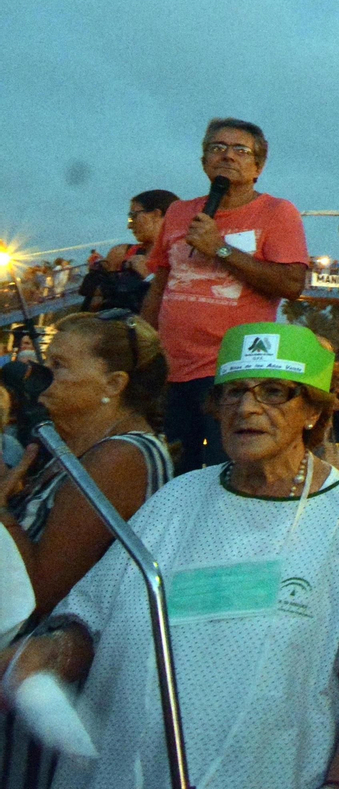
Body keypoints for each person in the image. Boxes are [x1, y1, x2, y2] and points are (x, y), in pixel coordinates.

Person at [0, 323, 339, 789]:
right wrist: (47, 653)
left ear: (311, 410)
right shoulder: (179, 498)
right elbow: (94, 615)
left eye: (273, 392)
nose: (247, 407)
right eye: (233, 393)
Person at [0, 311, 173, 789]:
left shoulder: (121, 457)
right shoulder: (73, 451)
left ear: (113, 383)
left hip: (54, 688)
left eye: (59, 365)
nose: (40, 375)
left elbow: (43, 593)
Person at [142, 118, 309, 473]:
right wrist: (143, 352)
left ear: (258, 167)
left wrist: (220, 249)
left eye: (240, 150)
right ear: (204, 161)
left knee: (227, 471)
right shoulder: (179, 212)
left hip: (232, 371)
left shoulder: (278, 213)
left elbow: (292, 284)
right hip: (171, 371)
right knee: (172, 473)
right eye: (217, 148)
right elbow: (161, 283)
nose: (227, 156)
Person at [80, 190, 180, 313]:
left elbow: (180, 304)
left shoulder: (182, 257)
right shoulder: (122, 254)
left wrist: (148, 276)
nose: (130, 225)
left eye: (133, 216)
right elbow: (93, 307)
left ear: (155, 214)